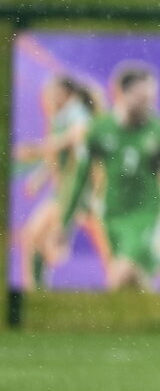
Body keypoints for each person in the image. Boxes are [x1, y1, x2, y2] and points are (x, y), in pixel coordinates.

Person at [61, 63, 160, 291]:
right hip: (112, 214)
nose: (148, 103)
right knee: (133, 284)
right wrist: (65, 222)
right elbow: (80, 176)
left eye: (152, 97)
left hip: (147, 216)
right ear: (120, 93)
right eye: (142, 97)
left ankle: (100, 325)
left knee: (120, 275)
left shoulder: (159, 131)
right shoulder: (101, 129)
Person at [14, 76, 104, 288]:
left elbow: (76, 136)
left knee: (40, 240)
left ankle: (37, 289)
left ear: (64, 93)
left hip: (78, 189)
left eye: (50, 93)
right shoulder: (60, 116)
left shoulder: (75, 112)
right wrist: (39, 178)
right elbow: (59, 155)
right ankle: (37, 291)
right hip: (65, 189)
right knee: (35, 238)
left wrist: (38, 149)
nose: (46, 98)